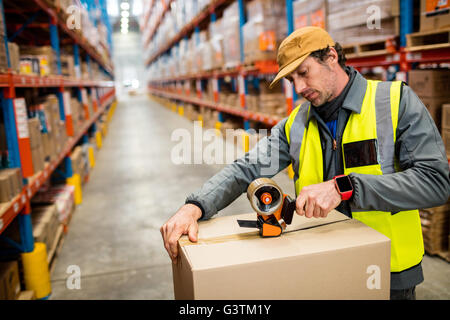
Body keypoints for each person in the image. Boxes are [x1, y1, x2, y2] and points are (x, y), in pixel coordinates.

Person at [160, 26, 450, 300]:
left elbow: (435, 184)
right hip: (319, 265)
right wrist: (195, 206)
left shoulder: (394, 102)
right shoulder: (295, 125)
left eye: (303, 73)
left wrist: (344, 188)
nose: (298, 87)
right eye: (290, 80)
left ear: (331, 57)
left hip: (385, 272)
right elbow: (245, 169)